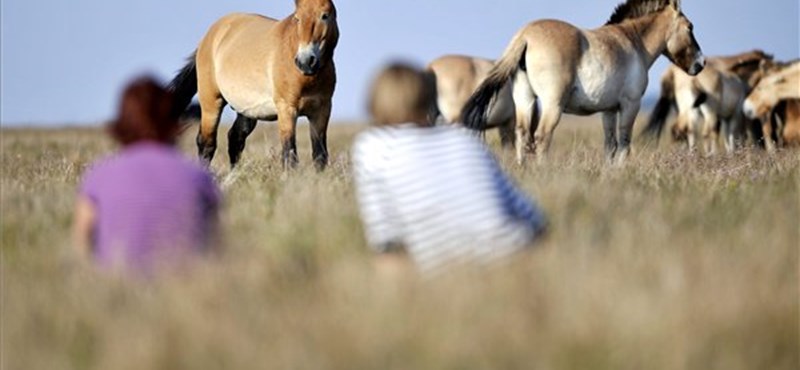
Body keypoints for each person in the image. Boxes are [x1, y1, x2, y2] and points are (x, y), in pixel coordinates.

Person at [352, 63, 547, 272]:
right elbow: (533, 218)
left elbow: (386, 242)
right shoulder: (463, 138)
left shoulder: (371, 146)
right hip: (513, 254)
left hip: (445, 267)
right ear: (426, 96)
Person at [73, 76, 221, 274]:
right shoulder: (200, 178)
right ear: (172, 121)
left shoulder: (97, 177)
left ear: (123, 121)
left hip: (115, 287)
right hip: (181, 288)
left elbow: (81, 250)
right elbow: (214, 249)